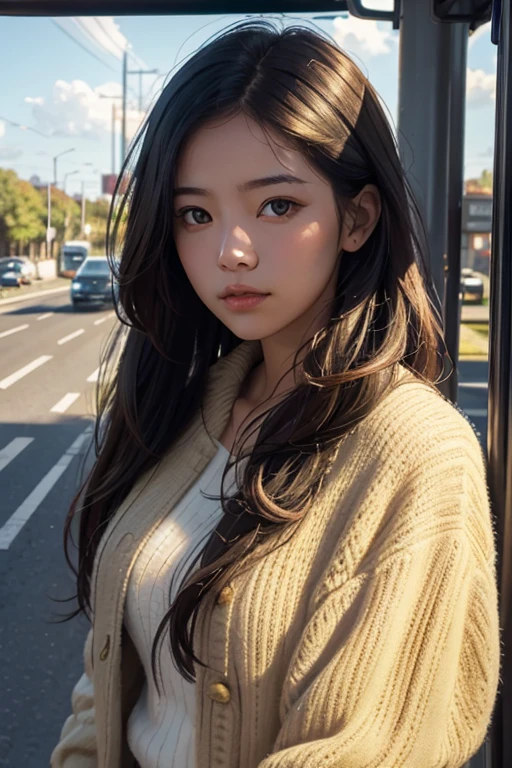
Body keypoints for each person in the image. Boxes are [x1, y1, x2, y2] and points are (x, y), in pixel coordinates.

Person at [51, 19, 500, 768]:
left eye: (277, 206)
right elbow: (112, 675)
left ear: (356, 218)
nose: (229, 249)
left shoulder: (418, 453)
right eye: (196, 214)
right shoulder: (189, 408)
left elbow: (359, 748)